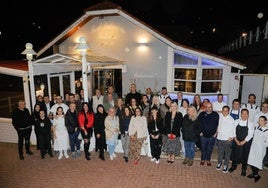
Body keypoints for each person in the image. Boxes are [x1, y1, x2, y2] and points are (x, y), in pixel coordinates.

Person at [229, 109, 254, 176]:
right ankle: (233, 166)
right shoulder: (236, 121)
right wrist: (236, 140)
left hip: (246, 142)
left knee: (245, 155)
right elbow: (233, 131)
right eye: (243, 114)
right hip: (236, 140)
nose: (244, 115)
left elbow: (251, 134)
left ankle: (243, 169)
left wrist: (244, 141)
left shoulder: (251, 123)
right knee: (235, 153)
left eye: (246, 114)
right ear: (241, 114)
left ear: (248, 115)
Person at [247, 116, 268, 182]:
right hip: (253, 148)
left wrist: (262, 145)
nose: (260, 122)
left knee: (257, 163)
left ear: (265, 121)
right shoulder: (257, 127)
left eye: (261, 120)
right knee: (251, 161)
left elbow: (267, 143)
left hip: (260, 149)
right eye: (259, 120)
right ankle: (254, 174)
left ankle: (256, 175)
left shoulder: (267, 131)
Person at [198, 102, 219, 166]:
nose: (209, 108)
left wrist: (216, 133)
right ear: (205, 107)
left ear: (212, 107)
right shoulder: (202, 114)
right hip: (203, 136)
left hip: (212, 136)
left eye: (210, 107)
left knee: (210, 148)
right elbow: (198, 124)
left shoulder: (216, 114)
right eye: (207, 107)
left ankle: (208, 160)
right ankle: (202, 159)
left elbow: (218, 124)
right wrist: (200, 132)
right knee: (203, 148)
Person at [216, 106, 236, 173]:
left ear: (228, 111)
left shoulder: (231, 119)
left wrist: (231, 137)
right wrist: (217, 132)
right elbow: (219, 125)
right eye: (223, 110)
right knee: (220, 152)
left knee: (227, 153)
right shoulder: (221, 117)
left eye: (226, 111)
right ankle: (219, 163)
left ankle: (226, 165)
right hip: (220, 138)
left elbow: (234, 130)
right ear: (222, 111)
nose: (225, 112)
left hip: (227, 139)